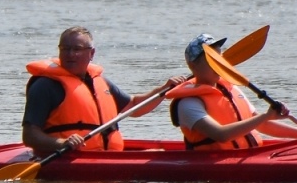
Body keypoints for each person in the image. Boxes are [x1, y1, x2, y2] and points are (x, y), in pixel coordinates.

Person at [22, 27, 181, 154]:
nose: (70, 54)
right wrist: (62, 143)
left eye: (77, 49)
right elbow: (29, 135)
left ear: (91, 53)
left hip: (104, 157)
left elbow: (134, 106)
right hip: (66, 158)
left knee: (158, 152)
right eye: (65, 49)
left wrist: (164, 89)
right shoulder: (45, 86)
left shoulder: (101, 83)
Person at [168, 34, 297, 149]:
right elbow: (221, 135)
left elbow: (261, 124)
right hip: (217, 163)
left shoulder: (229, 89)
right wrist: (265, 116)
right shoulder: (188, 103)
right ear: (193, 65)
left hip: (249, 155)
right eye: (211, 59)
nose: (218, 65)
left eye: (220, 58)